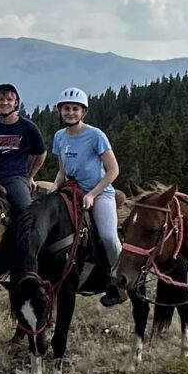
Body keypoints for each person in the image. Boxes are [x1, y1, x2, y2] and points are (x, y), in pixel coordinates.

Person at [48, 86, 126, 308]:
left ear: (83, 112)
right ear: (60, 111)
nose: (70, 113)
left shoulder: (96, 135)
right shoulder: (59, 137)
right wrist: (54, 186)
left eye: (75, 109)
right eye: (66, 109)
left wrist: (93, 194)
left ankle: (118, 284)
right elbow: (62, 170)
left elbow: (113, 170)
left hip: (98, 193)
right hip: (71, 190)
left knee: (108, 237)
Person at [0, 83, 47, 296]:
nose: (4, 103)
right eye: (0, 99)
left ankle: (24, 266)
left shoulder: (28, 128)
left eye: (9, 99)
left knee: (25, 213)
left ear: (16, 103)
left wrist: (30, 176)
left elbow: (41, 153)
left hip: (14, 178)